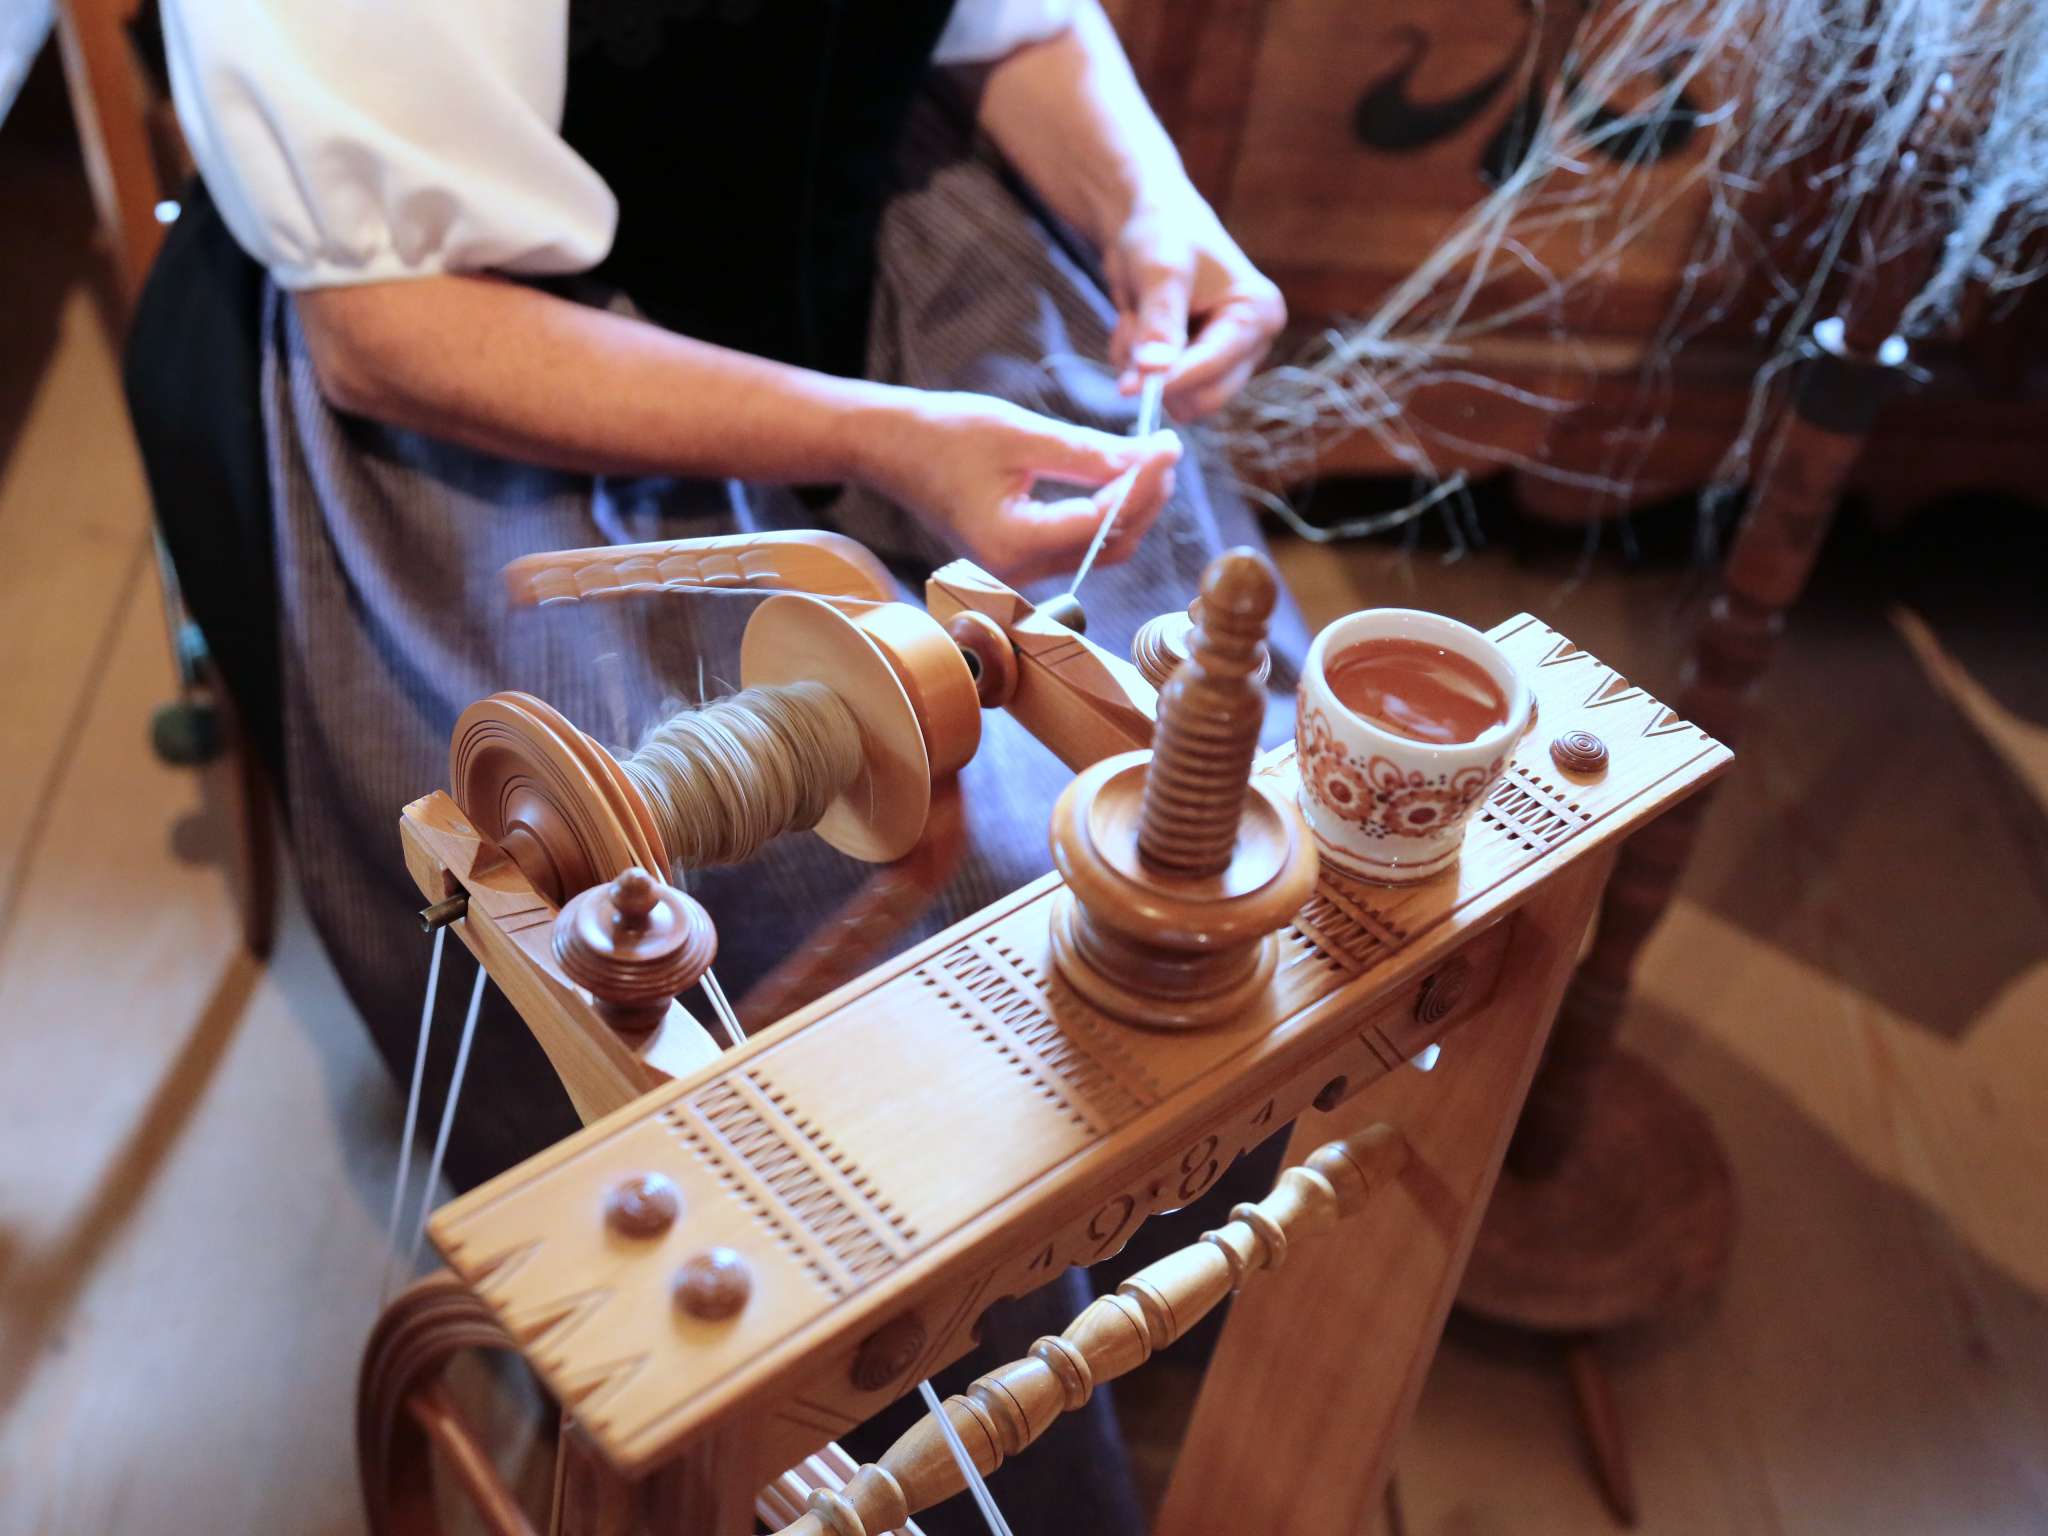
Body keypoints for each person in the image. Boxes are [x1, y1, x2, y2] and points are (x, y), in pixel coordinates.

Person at [137, 5, 1307, 1530]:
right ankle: (902, 1415)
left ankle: (1147, 1288)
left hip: (868, 246)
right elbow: (385, 327)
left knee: (1222, 808)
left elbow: (1013, 24)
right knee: (894, 1029)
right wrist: (886, 441)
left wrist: (1147, 205)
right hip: (488, 350)